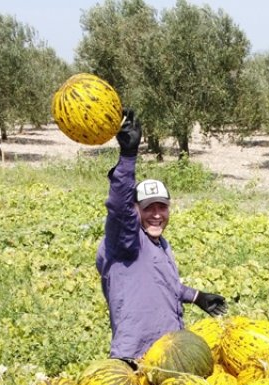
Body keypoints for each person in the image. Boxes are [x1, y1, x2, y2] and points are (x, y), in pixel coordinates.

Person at [97, 109, 226, 360]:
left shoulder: (160, 244)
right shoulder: (126, 242)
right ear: (136, 211)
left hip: (169, 353)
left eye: (161, 207)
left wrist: (197, 297)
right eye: (148, 208)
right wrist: (128, 157)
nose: (156, 215)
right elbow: (119, 208)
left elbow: (162, 283)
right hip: (137, 358)